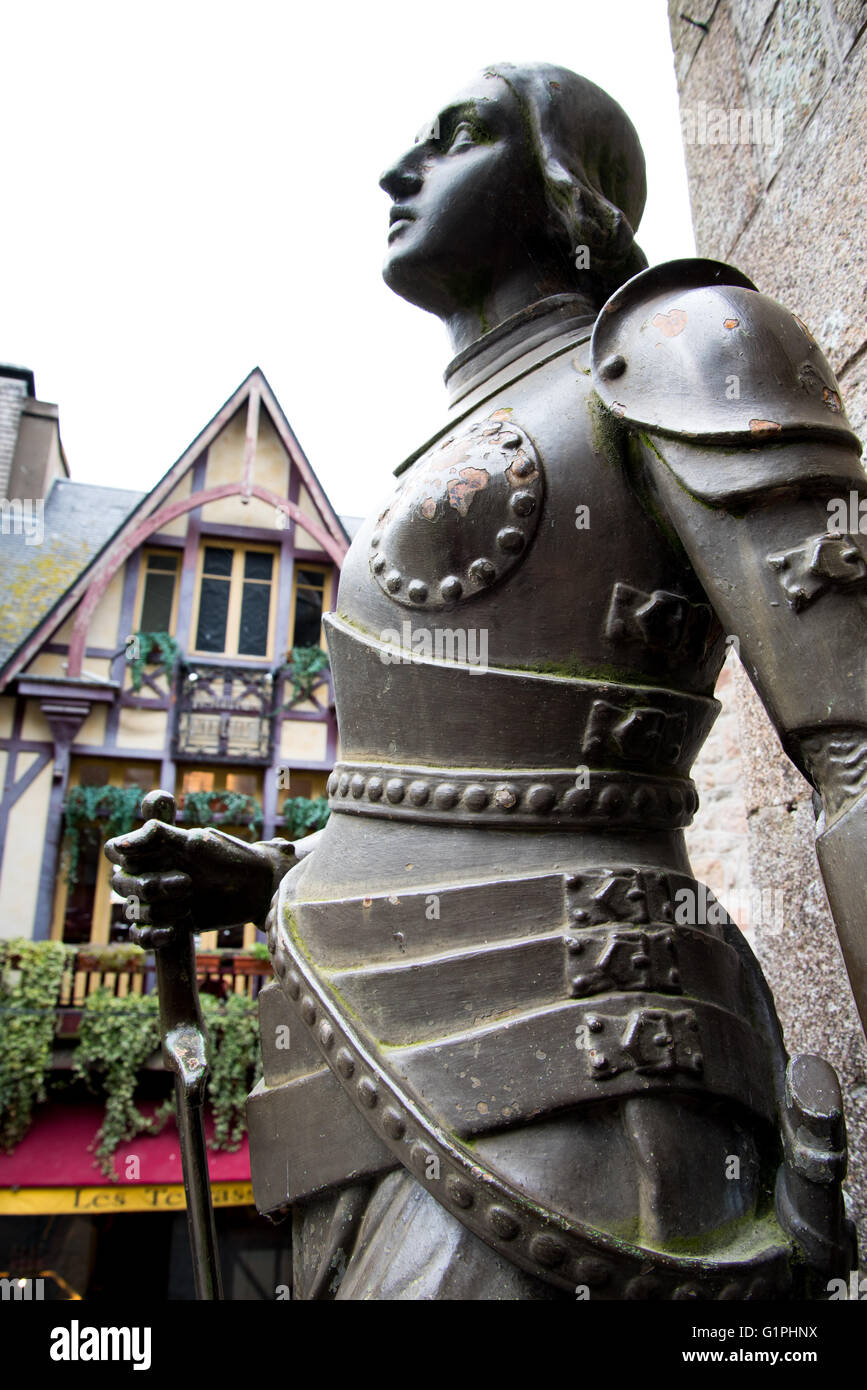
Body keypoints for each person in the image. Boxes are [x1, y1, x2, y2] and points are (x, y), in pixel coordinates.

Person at [107, 63, 862, 1299]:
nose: (397, 173)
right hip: (376, 1079)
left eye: (454, 136)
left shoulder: (688, 346)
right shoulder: (455, 436)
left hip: (581, 1079)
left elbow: (855, 751)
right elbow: (488, 793)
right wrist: (270, 878)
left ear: (573, 182)